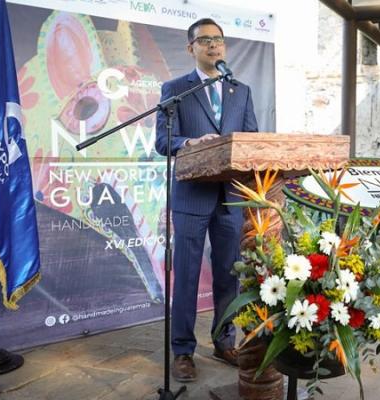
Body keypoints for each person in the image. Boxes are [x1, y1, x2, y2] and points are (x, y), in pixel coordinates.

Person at [155, 18, 258, 382]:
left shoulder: (240, 91)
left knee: (229, 275)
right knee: (185, 276)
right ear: (191, 48)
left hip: (231, 197)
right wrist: (189, 143)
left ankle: (224, 341)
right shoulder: (175, 89)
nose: (214, 45)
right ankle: (183, 350)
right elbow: (163, 142)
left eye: (219, 40)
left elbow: (251, 139)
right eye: (205, 40)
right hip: (192, 196)